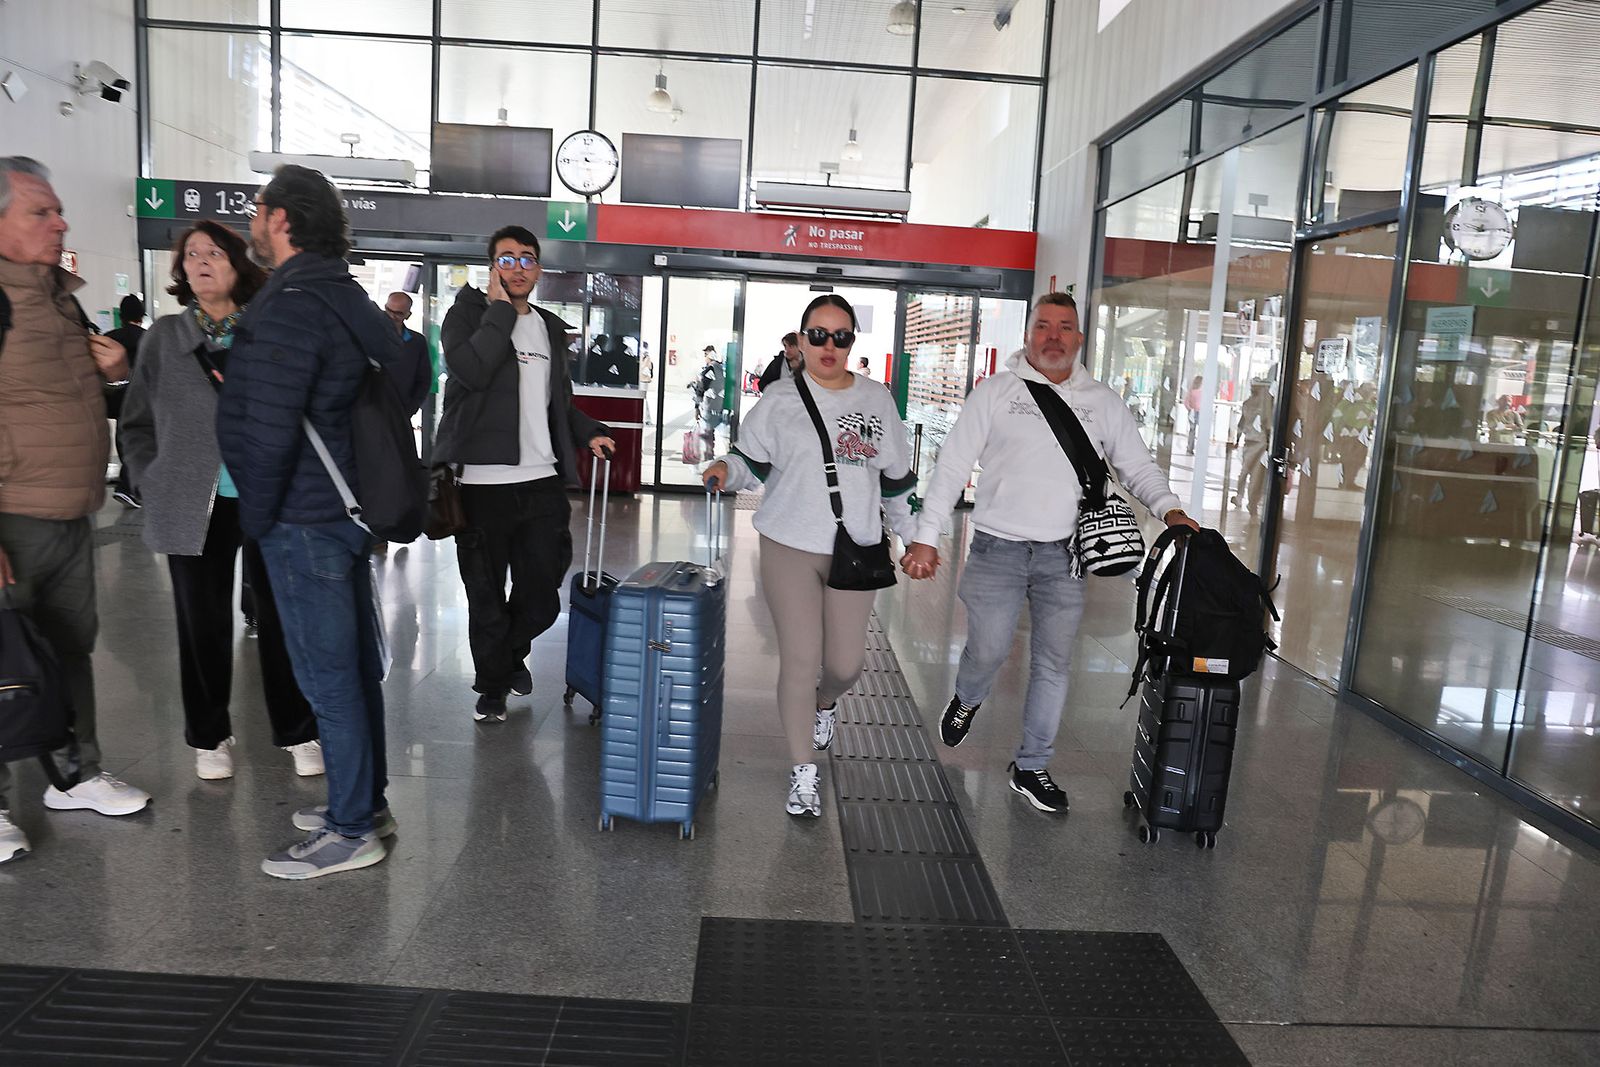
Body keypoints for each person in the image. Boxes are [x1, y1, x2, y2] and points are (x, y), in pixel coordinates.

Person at [901, 292, 1196, 814]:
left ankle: (1032, 765)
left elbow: (1137, 466)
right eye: (1044, 326)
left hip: (1067, 556)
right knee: (988, 650)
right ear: (1028, 335)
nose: (1054, 336)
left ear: (1080, 339)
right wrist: (926, 534)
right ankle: (967, 697)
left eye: (1065, 327)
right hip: (997, 548)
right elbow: (951, 467)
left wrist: (1169, 509)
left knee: (1054, 663)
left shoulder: (1102, 402)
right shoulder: (994, 393)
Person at [218, 163, 427, 880]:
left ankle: (348, 828)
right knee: (355, 667)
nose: (253, 221)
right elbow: (409, 375)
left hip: (302, 515)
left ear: (281, 219)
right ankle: (364, 801)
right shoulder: (349, 298)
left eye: (257, 210)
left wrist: (258, 514)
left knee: (328, 674)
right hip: (346, 509)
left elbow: (269, 428)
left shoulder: (290, 305)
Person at [119, 220, 323, 783]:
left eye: (215, 252)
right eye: (192, 254)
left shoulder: (267, 330)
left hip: (268, 496)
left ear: (238, 264)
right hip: (191, 501)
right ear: (181, 269)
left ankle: (298, 730)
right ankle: (209, 737)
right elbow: (135, 423)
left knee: (283, 619)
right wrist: (150, 477)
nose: (203, 261)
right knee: (201, 623)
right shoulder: (164, 338)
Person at [703, 295, 918, 819]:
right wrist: (722, 471)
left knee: (845, 665)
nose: (829, 346)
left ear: (851, 344)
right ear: (799, 341)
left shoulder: (877, 400)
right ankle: (803, 771)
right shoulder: (779, 400)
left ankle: (826, 704)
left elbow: (896, 484)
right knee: (800, 660)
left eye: (840, 336)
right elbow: (748, 462)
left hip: (857, 548)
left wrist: (914, 538)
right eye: (817, 335)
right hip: (789, 544)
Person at [0, 156, 151, 864]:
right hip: (11, 512)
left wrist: (114, 374)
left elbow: (67, 397)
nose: (60, 222)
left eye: (57, 209)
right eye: (41, 211)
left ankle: (76, 771)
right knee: (4, 656)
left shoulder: (57, 296)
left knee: (69, 647)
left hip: (71, 508)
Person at [435, 224, 615, 723]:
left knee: (540, 598)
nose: (517, 267)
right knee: (486, 594)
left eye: (527, 258)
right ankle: (491, 687)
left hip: (541, 480)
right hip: (481, 485)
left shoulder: (549, 327)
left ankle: (505, 658)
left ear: (539, 268)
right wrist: (497, 311)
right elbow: (471, 372)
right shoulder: (466, 314)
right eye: (506, 259)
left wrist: (588, 430)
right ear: (491, 266)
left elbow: (557, 403)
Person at [106, 294, 147, 508]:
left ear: (121, 316)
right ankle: (129, 486)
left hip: (115, 399)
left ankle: (130, 485)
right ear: (141, 316)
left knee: (124, 439)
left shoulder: (110, 337)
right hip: (142, 400)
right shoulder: (149, 338)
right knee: (140, 441)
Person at [1230, 379, 1273, 515]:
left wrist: (1237, 439)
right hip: (1259, 443)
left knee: (1246, 472)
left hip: (1251, 442)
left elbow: (1241, 424)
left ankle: (1241, 497)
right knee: (1255, 475)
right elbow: (1267, 425)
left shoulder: (1248, 403)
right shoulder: (1266, 406)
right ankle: (1251, 502)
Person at [693, 344, 725, 451]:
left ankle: (708, 451)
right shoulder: (720, 368)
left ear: (709, 355)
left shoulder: (711, 369)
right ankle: (709, 449)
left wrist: (696, 407)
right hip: (719, 404)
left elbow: (701, 388)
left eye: (705, 354)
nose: (705, 357)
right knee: (711, 430)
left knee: (707, 430)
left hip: (711, 405)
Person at [1184, 374, 1204, 454]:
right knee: (1199, 431)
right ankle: (1196, 448)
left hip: (1193, 412)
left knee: (1192, 431)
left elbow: (1186, 402)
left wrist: (1190, 409)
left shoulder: (1191, 391)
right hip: (1197, 412)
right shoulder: (1202, 392)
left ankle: (1190, 448)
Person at [639, 340, 656, 424]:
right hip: (643, 379)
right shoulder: (645, 355)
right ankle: (646, 418)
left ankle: (647, 418)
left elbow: (646, 367)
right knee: (643, 399)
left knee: (643, 399)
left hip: (643, 379)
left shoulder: (645, 356)